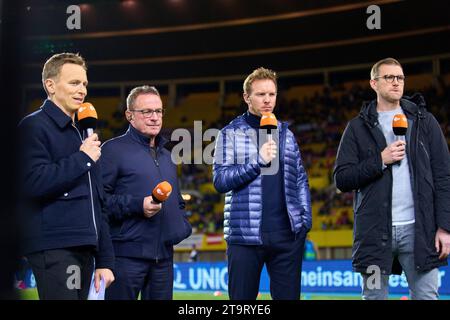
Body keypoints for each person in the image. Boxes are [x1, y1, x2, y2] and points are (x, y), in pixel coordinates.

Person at [334, 57, 450, 300]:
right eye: (389, 77)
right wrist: (380, 160)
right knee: (374, 297)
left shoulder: (424, 121)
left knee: (427, 297)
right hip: (375, 233)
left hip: (420, 232)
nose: (396, 83)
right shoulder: (357, 128)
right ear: (373, 83)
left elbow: (443, 176)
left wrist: (445, 227)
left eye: (400, 78)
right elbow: (342, 179)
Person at [18, 53, 115, 299]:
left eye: (84, 84)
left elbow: (98, 201)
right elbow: (32, 182)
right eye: (74, 83)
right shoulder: (33, 126)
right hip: (55, 246)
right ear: (50, 85)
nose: (82, 90)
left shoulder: (85, 134)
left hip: (85, 247)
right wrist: (82, 158)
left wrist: (105, 259)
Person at [213, 67, 312, 300]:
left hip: (287, 237)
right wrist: (258, 161)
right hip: (245, 237)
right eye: (261, 94)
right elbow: (220, 181)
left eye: (272, 94)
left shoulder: (286, 133)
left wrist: (304, 220)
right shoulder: (230, 134)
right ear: (247, 97)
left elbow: (300, 179)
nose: (267, 100)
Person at [100, 85, 192, 300]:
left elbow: (177, 202)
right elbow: (99, 201)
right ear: (129, 116)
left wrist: (182, 228)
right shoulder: (112, 150)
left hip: (163, 259)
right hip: (125, 258)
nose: (155, 117)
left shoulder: (168, 156)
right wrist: (137, 205)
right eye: (147, 112)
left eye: (159, 111)